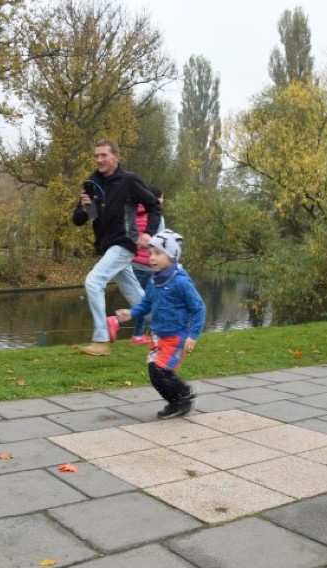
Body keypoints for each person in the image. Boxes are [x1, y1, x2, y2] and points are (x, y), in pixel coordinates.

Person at [72, 139, 161, 356]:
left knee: (93, 281)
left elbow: (154, 206)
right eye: (96, 156)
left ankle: (101, 340)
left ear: (116, 157)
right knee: (136, 296)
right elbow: (82, 219)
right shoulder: (92, 183)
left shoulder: (129, 181)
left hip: (123, 243)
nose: (99, 160)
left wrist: (148, 232)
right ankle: (168, 329)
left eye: (104, 155)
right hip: (106, 246)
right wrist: (85, 208)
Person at [115, 230, 205, 419]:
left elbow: (199, 308)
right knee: (155, 373)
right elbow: (146, 305)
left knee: (160, 370)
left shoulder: (181, 283)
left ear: (172, 256)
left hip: (177, 336)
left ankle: (184, 392)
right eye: (150, 254)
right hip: (159, 336)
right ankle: (177, 402)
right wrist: (130, 313)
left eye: (158, 253)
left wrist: (193, 335)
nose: (152, 258)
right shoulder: (154, 281)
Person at [130, 186, 166, 345]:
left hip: (133, 263)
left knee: (140, 301)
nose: (163, 200)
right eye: (162, 197)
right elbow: (161, 242)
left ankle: (137, 335)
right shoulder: (157, 216)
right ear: (156, 198)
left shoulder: (135, 213)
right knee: (153, 301)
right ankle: (155, 334)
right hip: (150, 265)